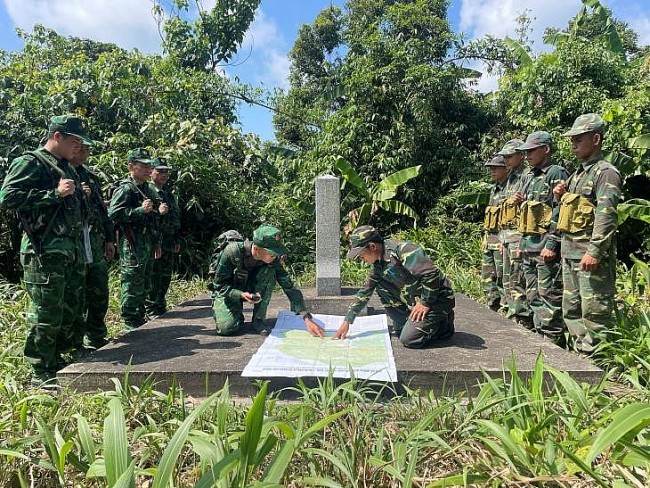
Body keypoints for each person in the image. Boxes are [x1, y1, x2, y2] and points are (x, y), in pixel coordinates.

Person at [0, 114, 91, 386]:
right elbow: (7, 197)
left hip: (69, 252)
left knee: (70, 308)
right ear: (57, 137)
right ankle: (40, 370)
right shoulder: (31, 162)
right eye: (75, 141)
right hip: (44, 252)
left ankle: (62, 357)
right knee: (47, 311)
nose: (79, 146)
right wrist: (53, 194)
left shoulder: (66, 166)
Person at [555, 114, 622, 353]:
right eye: (572, 139)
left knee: (595, 311)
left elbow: (606, 215)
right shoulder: (578, 174)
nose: (573, 143)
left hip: (588, 257)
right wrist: (560, 195)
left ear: (595, 139)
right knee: (572, 308)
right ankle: (580, 359)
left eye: (579, 139)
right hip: (571, 253)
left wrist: (594, 251)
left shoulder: (606, 172)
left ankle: (601, 364)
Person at [334, 225, 455, 348]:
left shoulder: (403, 250)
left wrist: (425, 302)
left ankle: (443, 324)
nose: (361, 259)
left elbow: (430, 273)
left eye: (361, 255)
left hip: (438, 299)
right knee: (399, 329)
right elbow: (366, 290)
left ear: (373, 246)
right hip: (417, 298)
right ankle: (407, 321)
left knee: (409, 340)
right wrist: (348, 320)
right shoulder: (379, 264)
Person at [210, 224, 324, 337]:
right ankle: (236, 312)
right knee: (227, 328)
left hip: (250, 288)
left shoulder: (272, 260)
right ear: (256, 249)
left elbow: (288, 285)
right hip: (229, 292)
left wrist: (306, 317)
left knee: (270, 271)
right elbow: (219, 286)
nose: (275, 256)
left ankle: (258, 319)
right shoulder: (232, 252)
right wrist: (240, 295)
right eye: (271, 253)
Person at [514, 132, 569, 342]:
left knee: (549, 295)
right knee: (532, 295)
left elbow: (559, 211)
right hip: (529, 246)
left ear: (545, 149)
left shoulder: (556, 173)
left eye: (531, 151)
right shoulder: (529, 176)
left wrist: (552, 244)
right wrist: (521, 242)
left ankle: (552, 341)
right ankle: (538, 338)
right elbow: (525, 215)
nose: (527, 155)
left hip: (545, 246)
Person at [108, 148, 164, 330]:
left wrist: (156, 242)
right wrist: (139, 210)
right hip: (132, 243)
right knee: (132, 281)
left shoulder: (147, 188)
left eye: (149, 165)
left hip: (147, 243)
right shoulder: (126, 188)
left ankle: (139, 317)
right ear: (131, 166)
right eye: (144, 165)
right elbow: (114, 214)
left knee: (145, 280)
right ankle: (130, 321)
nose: (149, 169)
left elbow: (153, 217)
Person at [69, 140, 116, 351]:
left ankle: (96, 337)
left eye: (87, 149)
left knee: (98, 291)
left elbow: (102, 212)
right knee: (75, 296)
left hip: (94, 243)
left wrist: (109, 239)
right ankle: (74, 344)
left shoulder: (90, 177)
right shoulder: (59, 172)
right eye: (80, 147)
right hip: (72, 244)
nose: (84, 152)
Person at [496, 139, 532, 326]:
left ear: (520, 155)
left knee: (518, 280)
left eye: (509, 156)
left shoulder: (527, 176)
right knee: (507, 279)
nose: (506, 160)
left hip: (519, 237)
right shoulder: (510, 178)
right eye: (504, 157)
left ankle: (522, 320)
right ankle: (512, 313)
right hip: (507, 236)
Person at [145, 158, 181, 317]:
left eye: (166, 171)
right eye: (159, 171)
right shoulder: (147, 191)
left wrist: (176, 239)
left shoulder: (168, 194)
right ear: (151, 172)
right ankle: (151, 310)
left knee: (165, 277)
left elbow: (175, 219)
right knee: (153, 276)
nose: (164, 174)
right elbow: (147, 218)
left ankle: (160, 306)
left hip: (168, 241)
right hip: (154, 241)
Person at [481, 155, 509, 312]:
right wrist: (485, 237)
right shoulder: (495, 189)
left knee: (502, 278)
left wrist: (503, 240)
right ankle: (492, 308)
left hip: (501, 241)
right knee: (488, 279)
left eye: (495, 167)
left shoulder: (510, 188)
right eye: (490, 167)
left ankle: (503, 312)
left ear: (506, 168)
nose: (492, 170)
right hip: (490, 240)